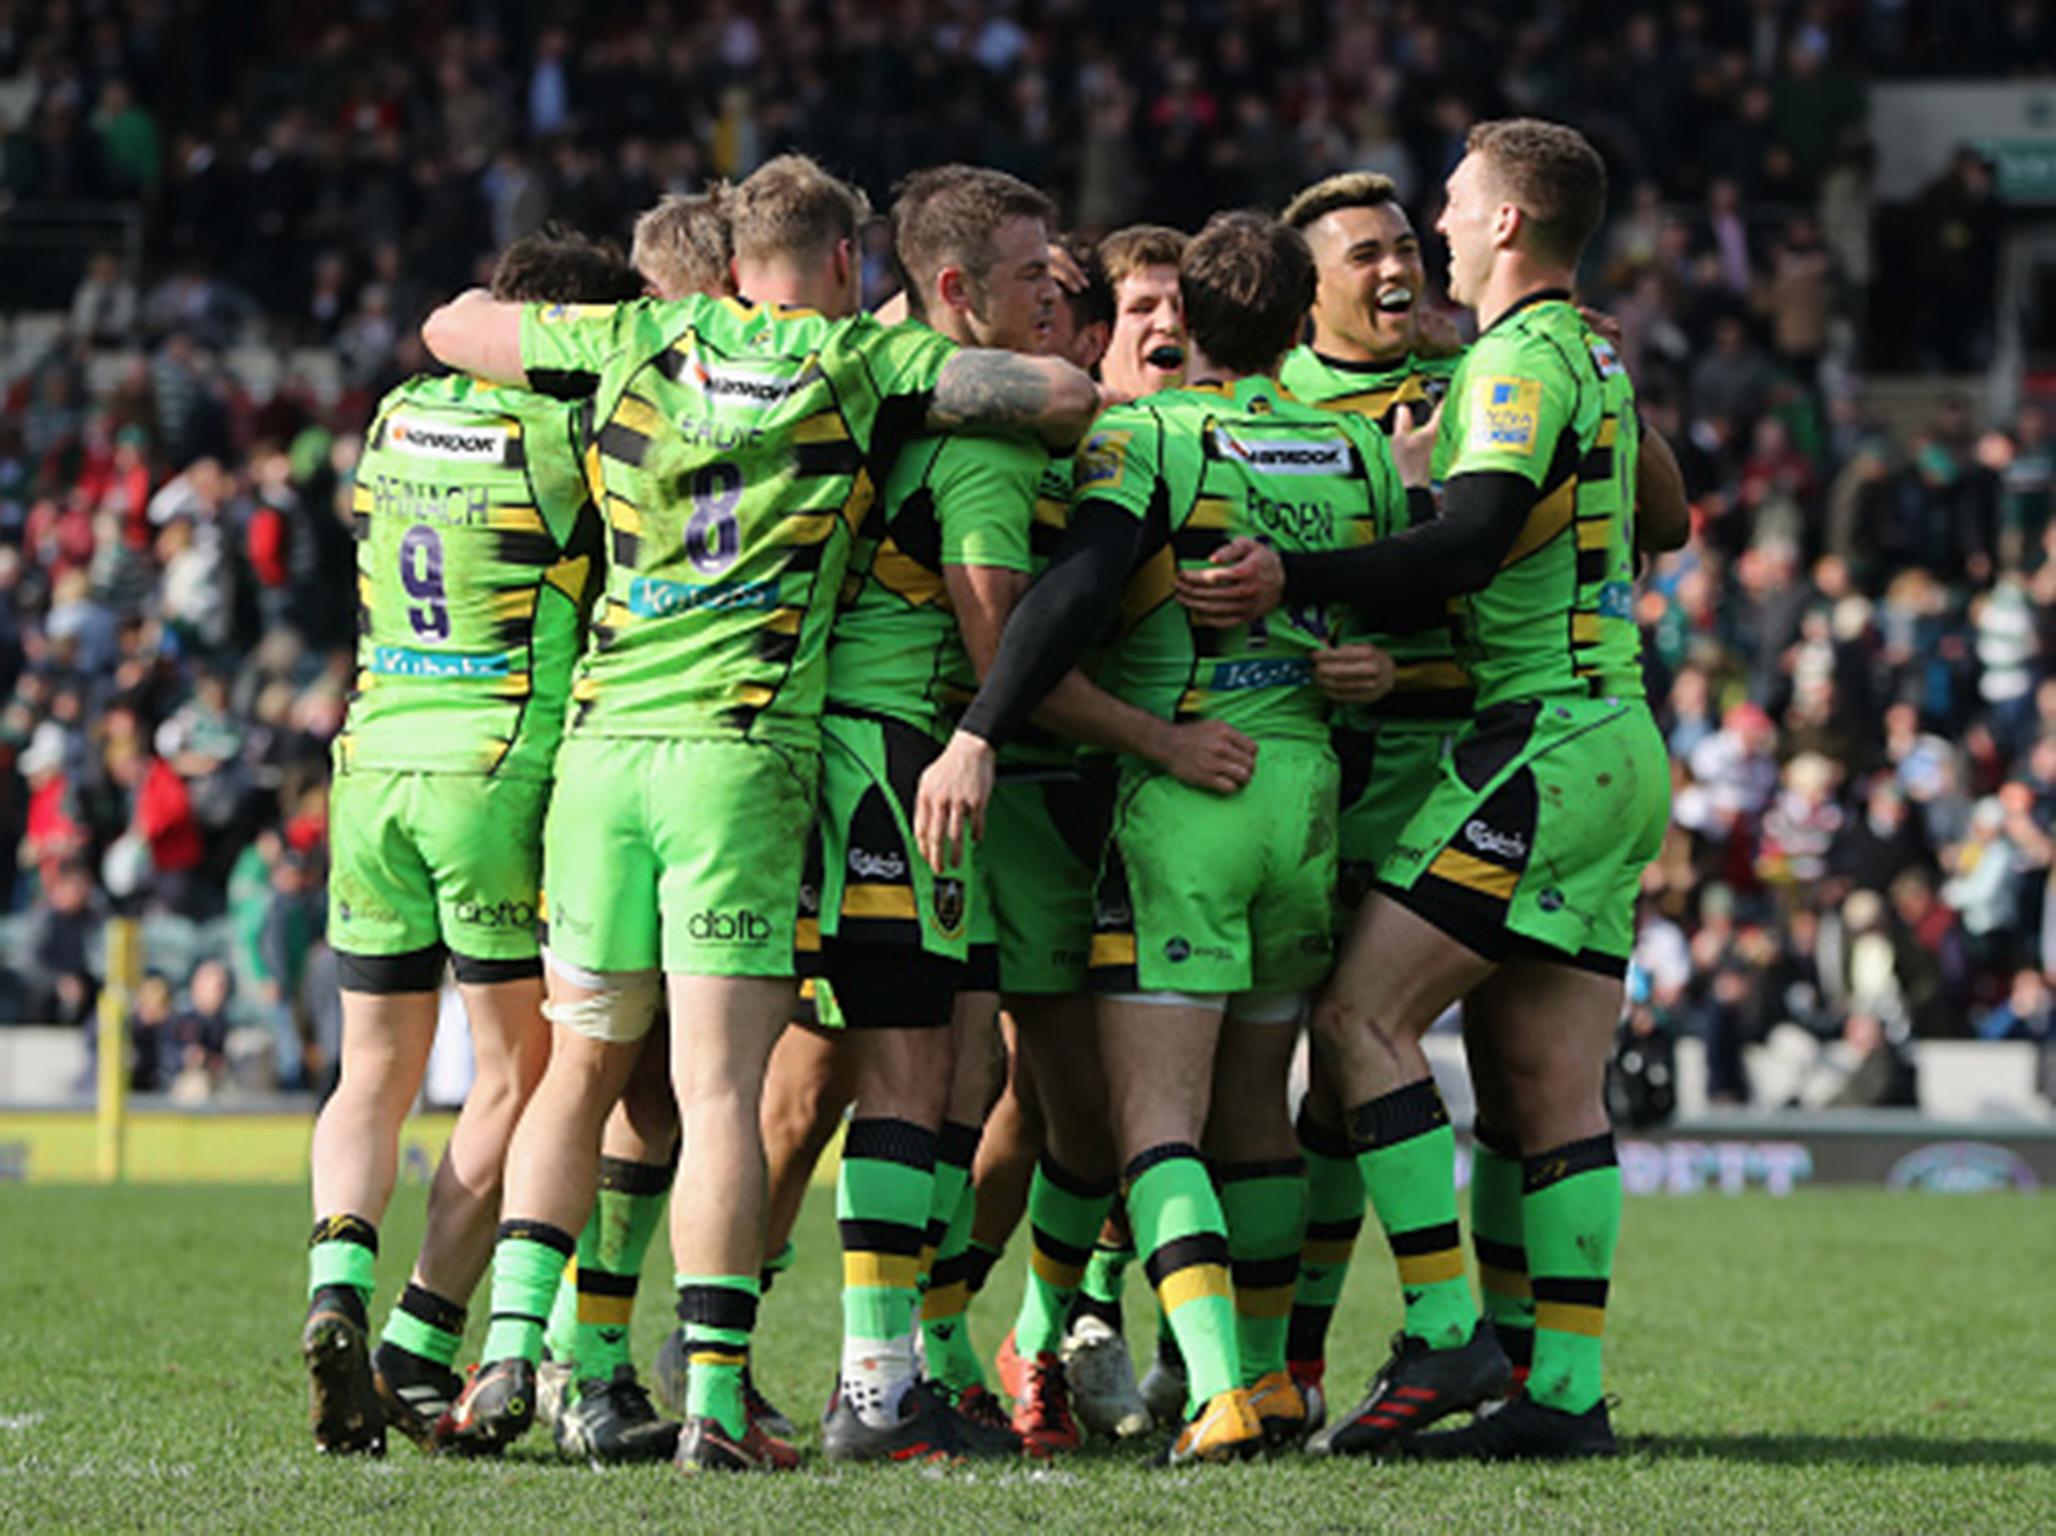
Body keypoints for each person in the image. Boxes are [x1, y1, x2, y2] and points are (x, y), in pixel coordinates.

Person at [421, 153, 1101, 1473]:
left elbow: (453, 325)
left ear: (733, 267)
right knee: (781, 1083)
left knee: (595, 1071)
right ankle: (773, 1392)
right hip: (768, 755)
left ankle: (524, 1354)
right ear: (849, 263)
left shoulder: (646, 334)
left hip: (605, 750)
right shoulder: (863, 366)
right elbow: (1061, 396)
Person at [1174, 118, 1671, 1461]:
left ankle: (1445, 1331)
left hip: (1528, 741)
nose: (1432, 235)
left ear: (1506, 223)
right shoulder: (1583, 355)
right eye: (1386, 239)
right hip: (1605, 735)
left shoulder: (1507, 361)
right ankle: (1562, 1395)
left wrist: (1308, 574)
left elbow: (1469, 541)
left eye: (1446, 209)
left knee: (1358, 1025)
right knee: (1545, 1079)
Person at [915, 210, 1411, 1465]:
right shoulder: (1352, 448)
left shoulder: (1145, 439)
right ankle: (1266, 1374)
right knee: (1256, 1110)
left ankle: (1217, 1391)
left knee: (1151, 1129)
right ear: (1304, 319)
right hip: (1303, 798)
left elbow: (1073, 596)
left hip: (1187, 799)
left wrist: (978, 725)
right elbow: (1382, 597)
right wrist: (1363, 666)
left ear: (1186, 312)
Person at [301, 229, 643, 1457]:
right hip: (495, 768)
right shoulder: (567, 440)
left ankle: (332, 1278)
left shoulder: (396, 416)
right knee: (524, 1075)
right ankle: (417, 1334)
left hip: (372, 757)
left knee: (370, 1072)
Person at [535, 188, 745, 1466]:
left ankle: (567, 1356)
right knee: (616, 1082)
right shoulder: (624, 404)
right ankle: (566, 1354)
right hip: (641, 764)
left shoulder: (614, 396)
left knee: (640, 1087)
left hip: (585, 769)